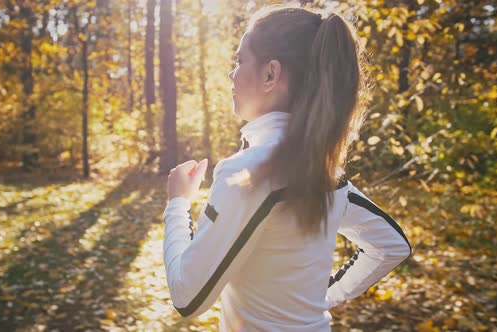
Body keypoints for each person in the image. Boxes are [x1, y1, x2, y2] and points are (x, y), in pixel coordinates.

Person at [162, 5, 411, 331]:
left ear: (270, 74)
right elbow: (392, 245)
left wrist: (177, 202)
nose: (231, 74)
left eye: (239, 61)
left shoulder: (245, 173)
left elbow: (187, 296)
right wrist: (318, 301)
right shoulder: (325, 171)